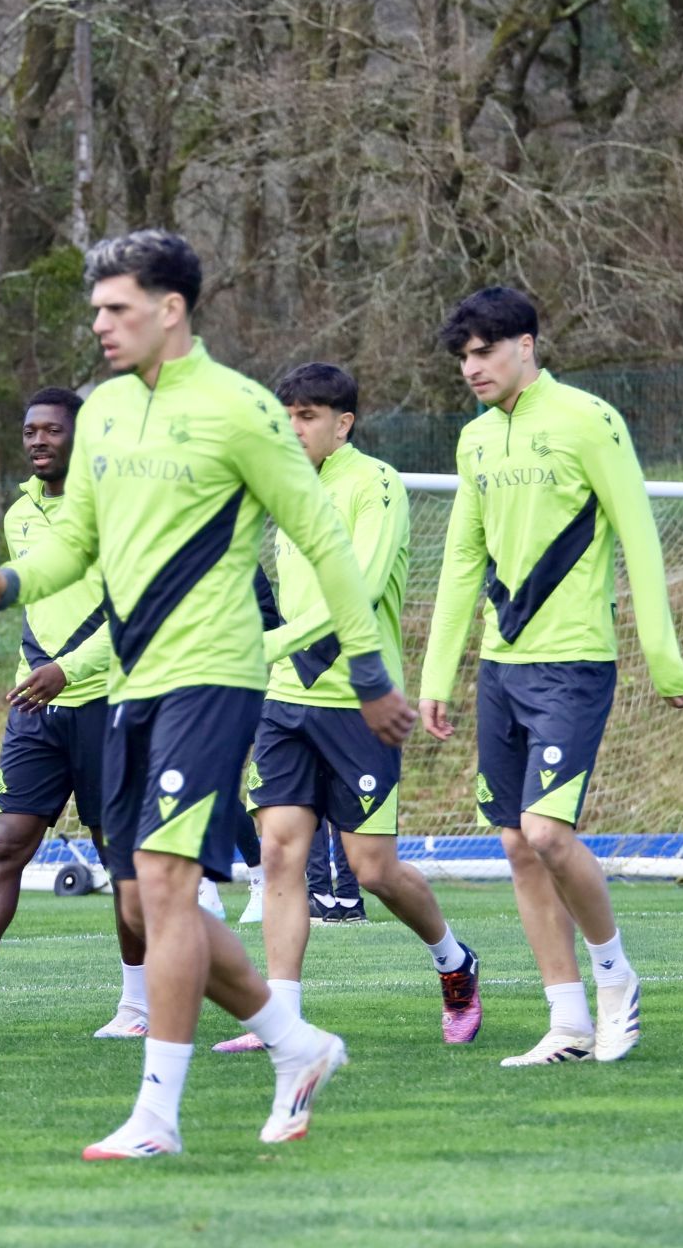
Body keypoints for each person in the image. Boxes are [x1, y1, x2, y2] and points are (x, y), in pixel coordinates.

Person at [0, 230, 418, 1160]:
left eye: (117, 309)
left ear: (171, 310)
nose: (101, 326)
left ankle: (157, 1116)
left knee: (167, 888)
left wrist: (368, 676)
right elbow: (74, 545)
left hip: (214, 677)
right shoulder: (108, 416)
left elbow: (326, 543)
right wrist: (10, 582)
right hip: (130, 685)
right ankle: (298, 1045)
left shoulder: (242, 411)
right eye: (96, 310)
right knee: (141, 906)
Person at [418, 288, 683, 1066]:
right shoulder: (474, 442)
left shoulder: (588, 419)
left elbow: (639, 535)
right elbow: (463, 561)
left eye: (484, 352)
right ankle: (567, 1023)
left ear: (527, 345)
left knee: (548, 832)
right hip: (501, 668)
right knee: (514, 844)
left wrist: (662, 655)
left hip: (574, 661)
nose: (471, 368)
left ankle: (615, 978)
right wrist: (439, 674)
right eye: (462, 358)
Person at [215, 363, 481, 1058]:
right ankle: (282, 1022)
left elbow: (356, 587)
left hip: (359, 705)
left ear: (344, 423)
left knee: (372, 871)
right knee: (278, 857)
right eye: (287, 415)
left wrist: (273, 641)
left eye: (307, 416)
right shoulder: (281, 487)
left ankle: (454, 961)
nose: (293, 428)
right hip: (285, 700)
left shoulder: (377, 483)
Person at [0, 387, 150, 1041]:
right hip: (35, 707)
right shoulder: (18, 515)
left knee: (119, 857)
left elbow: (135, 614)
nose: (40, 440)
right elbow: (36, 598)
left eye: (54, 431)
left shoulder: (118, 508)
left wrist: (71, 668)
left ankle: (140, 1006)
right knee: (6, 844)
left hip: (108, 703)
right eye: (30, 431)